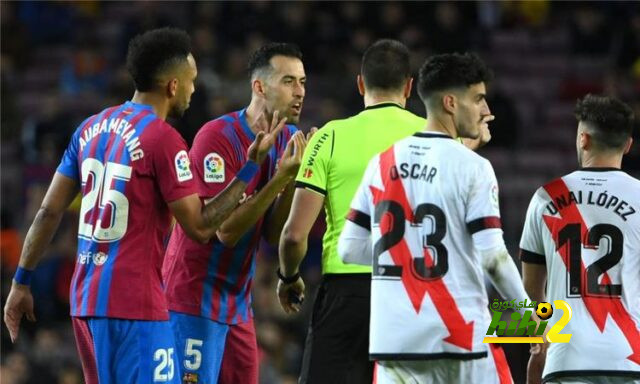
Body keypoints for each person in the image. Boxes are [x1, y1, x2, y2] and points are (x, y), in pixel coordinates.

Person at [3, 28, 279, 384]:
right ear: (172, 85)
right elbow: (199, 227)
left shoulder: (90, 127)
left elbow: (48, 211)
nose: (195, 89)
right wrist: (250, 169)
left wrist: (21, 281)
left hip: (85, 302)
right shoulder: (164, 139)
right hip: (136, 308)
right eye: (191, 80)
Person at [276, 40, 491, 384]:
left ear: (360, 83)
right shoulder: (434, 137)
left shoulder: (329, 136)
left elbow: (294, 235)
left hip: (346, 294)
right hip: (415, 294)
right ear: (409, 86)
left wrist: (288, 277)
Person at [337, 52, 531, 383]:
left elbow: (348, 250)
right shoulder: (473, 167)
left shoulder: (381, 163)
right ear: (452, 103)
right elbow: (494, 260)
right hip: (458, 337)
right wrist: (532, 321)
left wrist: (408, 256)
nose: (486, 110)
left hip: (393, 342)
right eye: (479, 99)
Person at [162, 42, 312, 384]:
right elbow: (225, 232)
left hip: (236, 305)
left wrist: (293, 181)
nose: (300, 92)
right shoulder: (217, 138)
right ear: (259, 86)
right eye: (289, 81)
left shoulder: (289, 138)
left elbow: (272, 234)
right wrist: (281, 178)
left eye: (303, 82)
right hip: (191, 299)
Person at [521, 94, 640, 384]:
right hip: (630, 358)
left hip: (566, 359)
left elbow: (527, 292)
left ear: (583, 139)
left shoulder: (545, 197)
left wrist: (535, 349)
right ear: (627, 145)